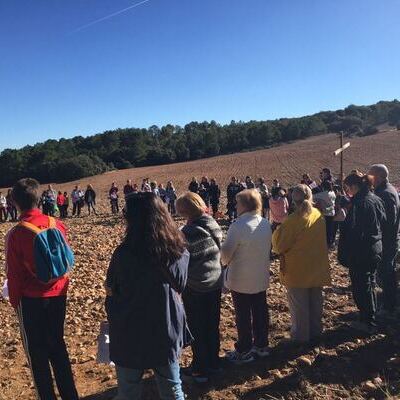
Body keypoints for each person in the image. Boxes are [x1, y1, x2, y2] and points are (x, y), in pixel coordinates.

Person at [105, 192, 191, 400]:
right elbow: (180, 284)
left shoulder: (124, 253)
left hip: (129, 328)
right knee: (172, 388)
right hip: (165, 325)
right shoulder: (177, 250)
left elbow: (111, 288)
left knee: (128, 391)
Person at [5, 178, 79, 399]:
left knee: (36, 354)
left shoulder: (17, 233)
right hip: (58, 293)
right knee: (57, 345)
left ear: (14, 203)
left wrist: (15, 301)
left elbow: (14, 274)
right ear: (39, 198)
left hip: (31, 298)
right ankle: (70, 395)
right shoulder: (56, 223)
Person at [272, 184, 331, 343]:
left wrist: (277, 231)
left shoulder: (292, 220)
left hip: (297, 269)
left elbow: (279, 246)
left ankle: (300, 337)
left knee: (299, 305)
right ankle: (316, 332)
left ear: (293, 201)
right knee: (316, 302)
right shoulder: (318, 214)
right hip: (317, 266)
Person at [176, 192, 223, 383]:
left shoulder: (187, 232)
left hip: (195, 286)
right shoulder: (212, 223)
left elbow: (181, 261)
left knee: (197, 327)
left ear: (185, 211)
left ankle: (200, 369)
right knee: (212, 324)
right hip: (215, 280)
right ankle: (214, 363)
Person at [221, 189, 271, 364]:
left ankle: (244, 350)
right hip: (260, 275)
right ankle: (262, 345)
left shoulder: (238, 226)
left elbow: (225, 256)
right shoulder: (265, 223)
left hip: (241, 278)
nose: (236, 205)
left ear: (245, 205)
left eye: (238, 202)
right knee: (260, 311)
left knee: (243, 315)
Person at [338, 173, 386, 333]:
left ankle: (367, 321)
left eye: (347, 188)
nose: (347, 192)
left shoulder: (359, 203)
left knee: (361, 286)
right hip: (375, 247)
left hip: (361, 252)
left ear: (354, 186)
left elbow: (355, 232)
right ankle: (372, 315)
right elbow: (383, 221)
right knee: (370, 282)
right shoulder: (375, 199)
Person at [368, 164, 400, 318]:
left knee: (387, 274)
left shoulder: (386, 194)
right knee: (388, 272)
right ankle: (389, 303)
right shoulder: (386, 190)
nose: (368, 178)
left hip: (388, 241)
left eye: (370, 175)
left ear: (378, 176)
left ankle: (389, 306)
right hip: (388, 240)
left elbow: (389, 221)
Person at [313, 180, 337, 248]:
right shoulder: (333, 192)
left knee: (325, 231)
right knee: (330, 230)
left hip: (325, 214)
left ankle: (326, 244)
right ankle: (330, 243)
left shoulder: (324, 194)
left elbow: (313, 197)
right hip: (332, 213)